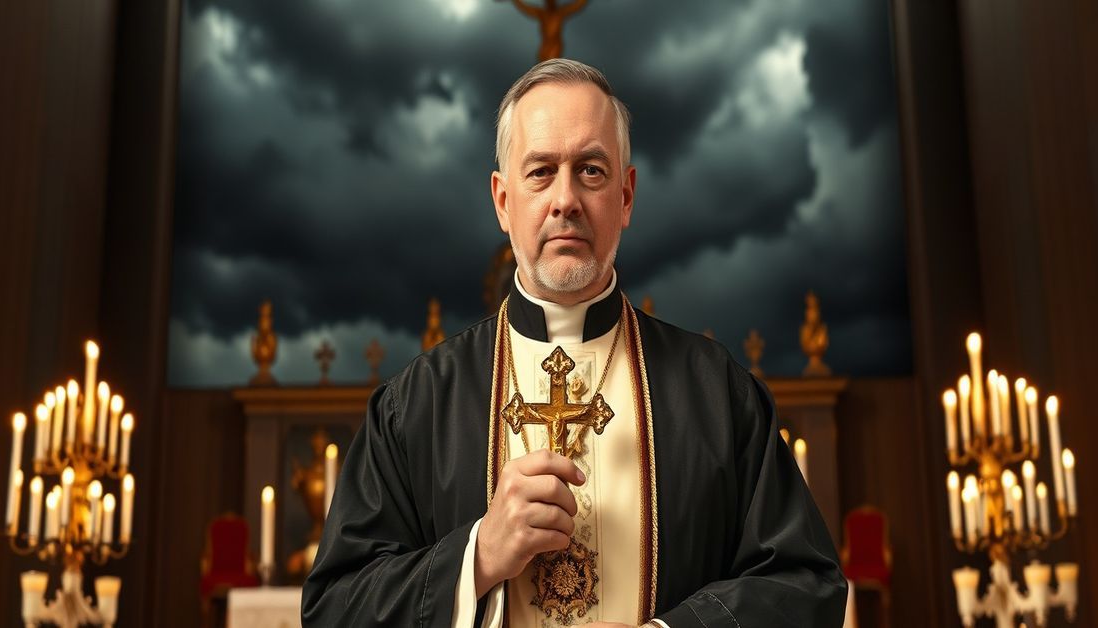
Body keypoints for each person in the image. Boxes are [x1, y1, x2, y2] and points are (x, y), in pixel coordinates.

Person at [302, 58, 846, 627]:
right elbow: (335, 608)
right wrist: (478, 556)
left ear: (627, 195)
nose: (566, 199)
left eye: (591, 170)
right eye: (540, 172)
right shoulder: (417, 404)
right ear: (503, 201)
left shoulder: (715, 392)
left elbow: (805, 584)